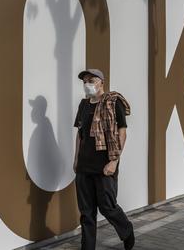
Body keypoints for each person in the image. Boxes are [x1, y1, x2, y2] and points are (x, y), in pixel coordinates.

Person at [73, 68, 135, 250]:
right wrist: (76, 159)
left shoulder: (113, 102)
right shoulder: (83, 105)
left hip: (105, 164)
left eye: (91, 80)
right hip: (84, 165)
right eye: (84, 81)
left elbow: (122, 132)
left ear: (102, 82)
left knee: (108, 207)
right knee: (86, 213)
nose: (87, 84)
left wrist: (114, 161)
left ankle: (126, 230)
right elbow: (80, 134)